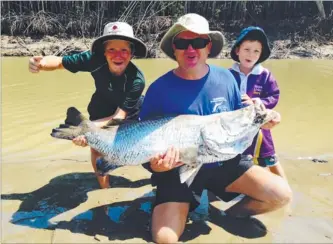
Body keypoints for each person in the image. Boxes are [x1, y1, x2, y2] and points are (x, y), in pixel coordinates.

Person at [139, 13, 292, 243]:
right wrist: (155, 166)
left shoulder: (227, 79)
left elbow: (243, 119)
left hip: (223, 164)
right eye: (183, 43)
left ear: (208, 46)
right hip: (176, 171)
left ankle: (226, 216)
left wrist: (264, 118)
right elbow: (143, 144)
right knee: (165, 239)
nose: (191, 49)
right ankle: (180, 204)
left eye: (198, 42)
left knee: (281, 195)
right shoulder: (158, 89)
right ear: (174, 48)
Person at [28, 22, 147, 191]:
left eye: (124, 50)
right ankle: (104, 189)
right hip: (102, 105)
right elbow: (60, 62)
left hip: (129, 111)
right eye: (112, 49)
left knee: (133, 149)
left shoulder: (137, 80)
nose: (117, 55)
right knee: (97, 148)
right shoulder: (93, 60)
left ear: (132, 53)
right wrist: (41, 63)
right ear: (104, 52)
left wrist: (84, 129)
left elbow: (119, 117)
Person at [229, 26, 287, 180]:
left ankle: (285, 190)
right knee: (241, 161)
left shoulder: (265, 75)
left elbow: (274, 96)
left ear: (261, 55)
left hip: (260, 129)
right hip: (237, 128)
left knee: (271, 159)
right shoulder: (228, 75)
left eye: (256, 51)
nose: (251, 54)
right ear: (237, 50)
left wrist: (257, 102)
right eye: (247, 49)